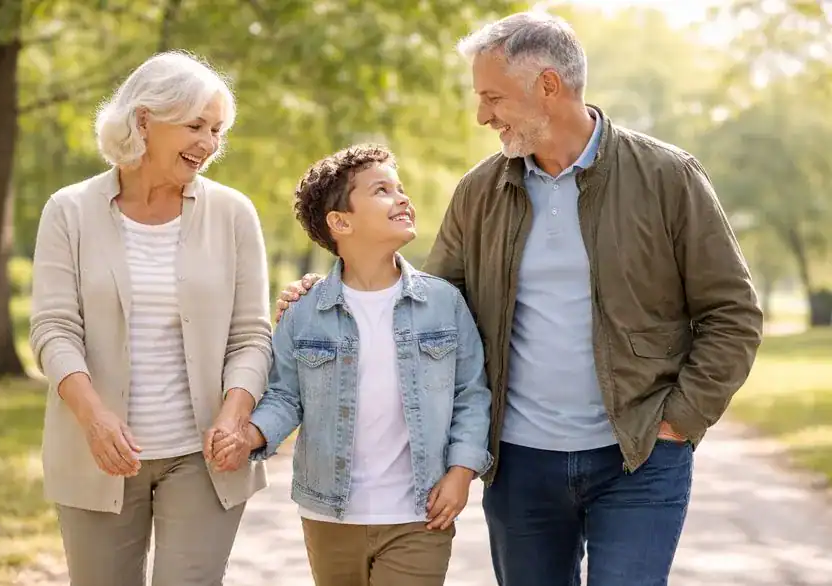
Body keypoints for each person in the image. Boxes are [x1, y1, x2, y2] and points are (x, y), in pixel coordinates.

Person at [274, 10, 764, 586]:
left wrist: (679, 420)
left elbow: (733, 312)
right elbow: (429, 309)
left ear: (548, 88)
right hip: (521, 465)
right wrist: (327, 291)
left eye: (493, 97)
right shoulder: (481, 191)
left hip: (638, 459)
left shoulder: (667, 176)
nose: (483, 115)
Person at [29, 51, 273, 586]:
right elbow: (53, 328)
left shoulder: (233, 214)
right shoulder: (68, 211)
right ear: (143, 120)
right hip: (96, 453)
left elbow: (252, 335)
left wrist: (234, 417)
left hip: (203, 455)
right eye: (195, 125)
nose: (209, 143)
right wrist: (94, 418)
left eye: (217, 129)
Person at [247, 144, 492, 586]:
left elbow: (471, 395)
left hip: (420, 514)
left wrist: (461, 472)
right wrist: (254, 433)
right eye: (382, 190)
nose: (402, 198)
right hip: (328, 513)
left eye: (400, 188)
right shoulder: (305, 311)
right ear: (341, 222)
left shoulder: (443, 303)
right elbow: (284, 395)